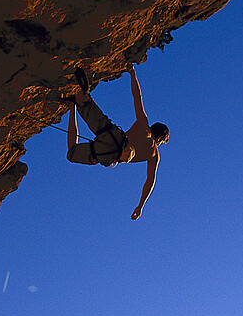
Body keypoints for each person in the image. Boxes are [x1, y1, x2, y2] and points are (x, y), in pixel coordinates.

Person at [65, 65, 169, 220]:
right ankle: (71, 107)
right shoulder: (154, 154)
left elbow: (137, 97)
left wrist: (132, 73)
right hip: (110, 155)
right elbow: (150, 181)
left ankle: (80, 100)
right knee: (72, 152)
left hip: (114, 136)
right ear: (160, 139)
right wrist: (140, 206)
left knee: (89, 108)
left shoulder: (143, 125)